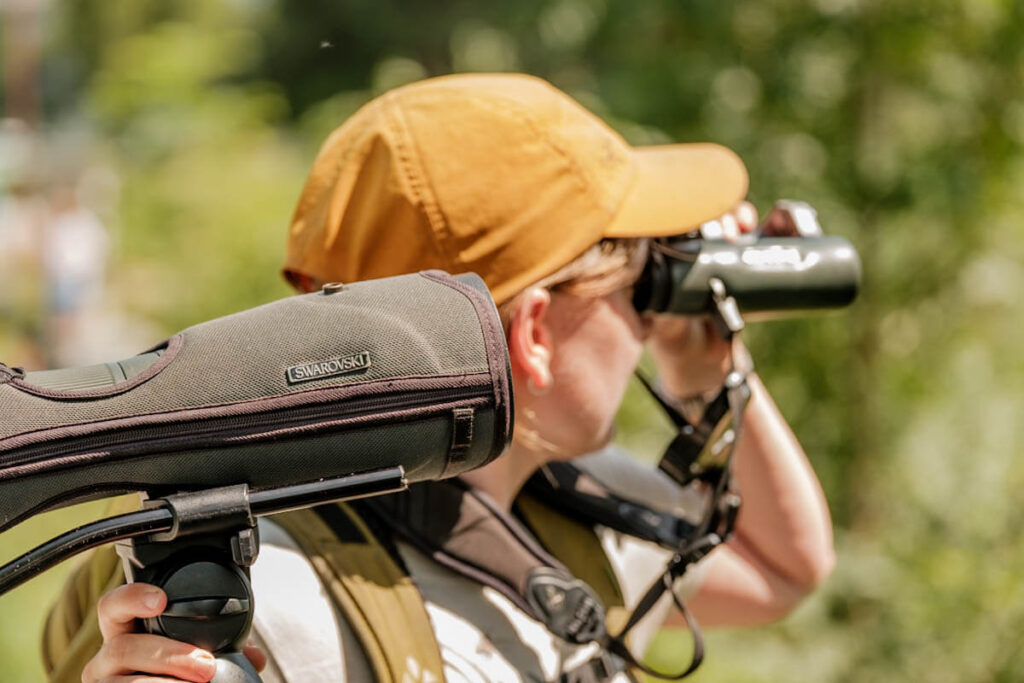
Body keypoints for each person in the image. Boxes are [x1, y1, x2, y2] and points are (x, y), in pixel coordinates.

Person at [48, 73, 834, 683]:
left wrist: (707, 369)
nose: (646, 325)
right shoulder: (283, 598)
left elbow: (783, 567)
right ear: (534, 336)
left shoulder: (572, 508)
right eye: (636, 291)